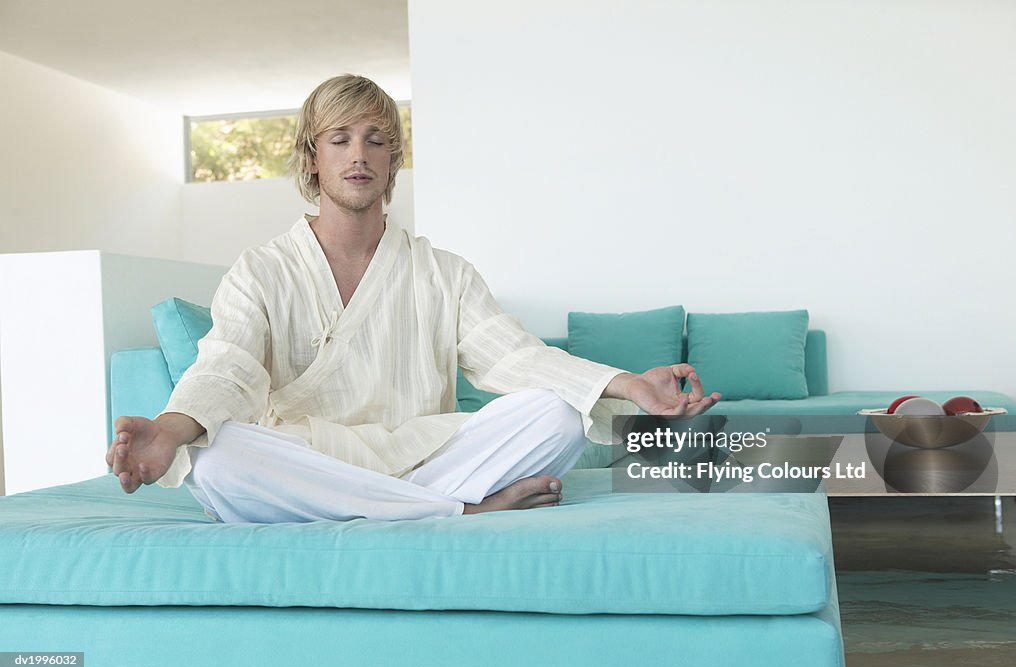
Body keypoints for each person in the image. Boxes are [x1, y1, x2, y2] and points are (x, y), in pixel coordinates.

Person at [106, 75, 720, 523]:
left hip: (424, 452)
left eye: (376, 140)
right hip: (310, 456)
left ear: (393, 159)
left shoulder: (442, 272)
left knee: (554, 415)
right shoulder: (260, 269)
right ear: (311, 158)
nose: (358, 155)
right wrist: (170, 429)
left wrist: (627, 384)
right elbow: (228, 368)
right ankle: (462, 512)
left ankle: (396, 508)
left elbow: (513, 356)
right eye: (339, 139)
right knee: (218, 460)